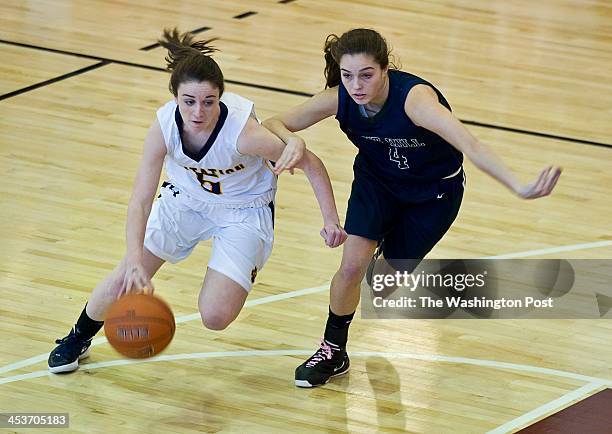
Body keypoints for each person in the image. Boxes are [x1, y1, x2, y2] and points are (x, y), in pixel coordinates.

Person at [263, 28, 562, 387]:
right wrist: (292, 139)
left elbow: (472, 144)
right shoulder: (339, 98)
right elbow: (273, 122)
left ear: (386, 69)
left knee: (383, 284)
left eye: (366, 75)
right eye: (347, 76)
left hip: (433, 194)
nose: (356, 85)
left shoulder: (415, 101)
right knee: (351, 267)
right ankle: (333, 350)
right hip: (377, 184)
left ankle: (384, 261)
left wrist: (519, 185)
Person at [48, 28, 347, 373]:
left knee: (216, 316)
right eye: (189, 101)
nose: (198, 111)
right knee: (125, 276)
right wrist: (134, 259)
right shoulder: (163, 126)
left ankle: (230, 271)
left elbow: (311, 163)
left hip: (243, 210)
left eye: (208, 102)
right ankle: (77, 336)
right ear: (175, 97)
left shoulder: (243, 133)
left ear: (220, 97)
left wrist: (330, 220)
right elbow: (141, 200)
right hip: (185, 200)